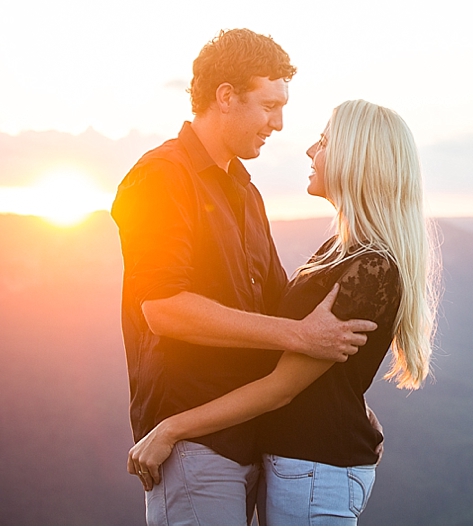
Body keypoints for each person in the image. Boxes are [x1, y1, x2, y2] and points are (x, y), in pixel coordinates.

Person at [128, 99, 440, 525]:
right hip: (305, 468)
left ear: (357, 157)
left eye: (325, 141)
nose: (311, 150)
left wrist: (171, 428)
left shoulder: (370, 268)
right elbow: (317, 372)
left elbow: (282, 387)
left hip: (314, 472)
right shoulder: (341, 252)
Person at [111, 30, 378, 526]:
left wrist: (341, 404)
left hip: (255, 434)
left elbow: (278, 302)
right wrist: (298, 336)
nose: (279, 124)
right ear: (226, 96)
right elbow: (163, 308)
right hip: (193, 439)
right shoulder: (161, 178)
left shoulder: (244, 188)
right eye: (269, 106)